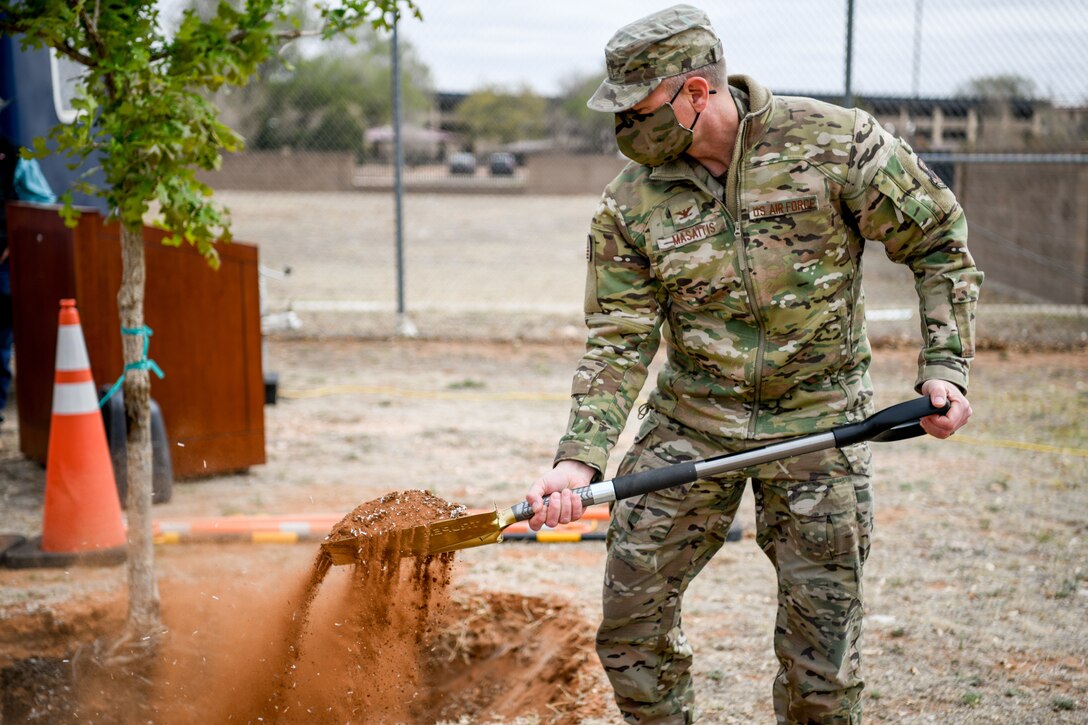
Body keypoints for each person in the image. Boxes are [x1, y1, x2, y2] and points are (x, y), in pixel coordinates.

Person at [524, 5, 982, 723]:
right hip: (691, 421)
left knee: (821, 669)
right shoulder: (630, 202)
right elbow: (619, 336)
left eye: (637, 111)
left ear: (697, 93)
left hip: (822, 421)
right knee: (630, 629)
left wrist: (946, 364)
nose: (624, 131)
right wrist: (580, 459)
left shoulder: (835, 144)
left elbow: (938, 241)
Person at [0, 134, 57, 423]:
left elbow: (43, 205)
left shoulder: (13, 157)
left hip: (3, 265)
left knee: (2, 336)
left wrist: (14, 241)